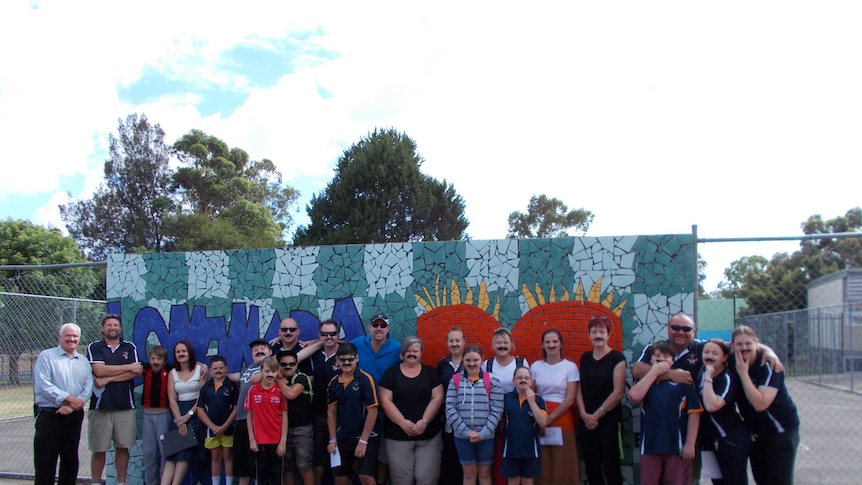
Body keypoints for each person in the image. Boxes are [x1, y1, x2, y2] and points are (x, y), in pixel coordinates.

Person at [731, 326, 800, 485]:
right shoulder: (732, 359)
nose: (744, 348)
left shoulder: (769, 366)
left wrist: (743, 373)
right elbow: (713, 346)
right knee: (761, 478)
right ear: (732, 345)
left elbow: (760, 404)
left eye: (748, 343)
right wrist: (767, 348)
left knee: (779, 480)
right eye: (739, 344)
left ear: (756, 342)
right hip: (756, 432)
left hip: (780, 431)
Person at [629, 340, 703, 485]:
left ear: (673, 360)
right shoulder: (645, 381)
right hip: (650, 446)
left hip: (677, 447)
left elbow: (694, 413)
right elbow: (634, 396)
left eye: (666, 356)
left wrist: (690, 443)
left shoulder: (683, 381)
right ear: (650, 360)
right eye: (657, 356)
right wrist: (654, 372)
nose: (661, 358)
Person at [33, 323, 94, 485]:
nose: (72, 339)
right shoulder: (46, 357)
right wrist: (69, 398)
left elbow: (88, 387)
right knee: (45, 462)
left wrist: (74, 404)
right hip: (50, 415)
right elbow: (43, 385)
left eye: (75, 336)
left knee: (70, 460)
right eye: (68, 335)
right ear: (60, 337)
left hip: (73, 416)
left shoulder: (83, 361)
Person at [379, 336, 444, 485]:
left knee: (427, 479)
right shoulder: (391, 374)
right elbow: (385, 400)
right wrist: (402, 422)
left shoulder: (431, 373)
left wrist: (424, 421)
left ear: (421, 353)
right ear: (402, 353)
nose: (412, 354)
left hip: (429, 437)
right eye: (408, 351)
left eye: (415, 350)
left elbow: (438, 397)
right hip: (397, 437)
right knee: (402, 480)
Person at [87, 313, 142, 485]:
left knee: (123, 447)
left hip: (125, 405)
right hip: (100, 406)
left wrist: (108, 378)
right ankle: (96, 482)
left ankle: (121, 482)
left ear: (120, 328)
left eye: (116, 325)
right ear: (103, 328)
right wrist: (127, 368)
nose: (112, 328)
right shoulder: (95, 347)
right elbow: (99, 371)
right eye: (109, 325)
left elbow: (137, 371)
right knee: (99, 449)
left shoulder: (129, 347)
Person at [351, 312, 402, 484]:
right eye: (376, 325)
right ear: (369, 327)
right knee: (358, 449)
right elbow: (336, 346)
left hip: (386, 407)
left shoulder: (397, 348)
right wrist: (316, 341)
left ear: (388, 328)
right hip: (360, 407)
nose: (379, 329)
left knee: (382, 453)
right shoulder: (358, 343)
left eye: (383, 325)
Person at [576, 315, 626, 485]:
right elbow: (579, 388)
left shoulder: (617, 358)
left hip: (608, 421)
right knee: (591, 465)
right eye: (594, 331)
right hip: (586, 421)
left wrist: (595, 416)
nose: (598, 335)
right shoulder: (585, 358)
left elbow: (618, 392)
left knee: (611, 464)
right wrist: (583, 414)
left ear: (608, 334)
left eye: (602, 332)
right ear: (589, 334)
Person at [446, 344, 504, 485]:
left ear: (482, 360)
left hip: (486, 436)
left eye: (475, 360)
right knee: (469, 473)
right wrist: (466, 432)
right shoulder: (455, 381)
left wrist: (483, 433)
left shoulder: (492, 381)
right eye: (468, 360)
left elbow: (497, 409)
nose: (471, 364)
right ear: (463, 361)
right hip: (462, 436)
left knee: (484, 474)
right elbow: (450, 408)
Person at [529, 328, 579, 485]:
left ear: (561, 344)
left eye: (555, 341)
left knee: (562, 460)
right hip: (540, 415)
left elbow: (571, 398)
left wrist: (550, 418)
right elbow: (532, 393)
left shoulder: (570, 367)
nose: (551, 345)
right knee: (543, 460)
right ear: (543, 345)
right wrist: (542, 417)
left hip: (562, 417)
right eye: (547, 342)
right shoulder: (536, 367)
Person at [327, 342, 381, 485]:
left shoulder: (366, 380)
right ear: (337, 360)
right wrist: (332, 439)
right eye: (343, 359)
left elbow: (373, 411)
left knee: (365, 476)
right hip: (343, 436)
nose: (346, 363)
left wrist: (363, 441)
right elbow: (331, 412)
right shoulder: (333, 383)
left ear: (357, 358)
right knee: (339, 477)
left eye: (350, 359)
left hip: (366, 437)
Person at [698, 339, 749, 485]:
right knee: (717, 481)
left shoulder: (725, 378)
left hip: (730, 440)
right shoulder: (701, 371)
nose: (709, 356)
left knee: (733, 481)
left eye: (715, 353)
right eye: (706, 352)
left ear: (725, 357)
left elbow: (711, 406)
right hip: (708, 442)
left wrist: (708, 378)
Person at [482, 328, 527, 485]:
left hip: (516, 416)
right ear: (493, 346)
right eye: (498, 343)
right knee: (497, 453)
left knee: (515, 452)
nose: (502, 346)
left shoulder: (521, 363)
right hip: (493, 417)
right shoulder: (486, 365)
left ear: (511, 345)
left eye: (505, 342)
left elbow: (527, 388)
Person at [161, 340, 208, 485]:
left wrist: (188, 416)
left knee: (184, 454)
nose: (181, 354)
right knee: (172, 455)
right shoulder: (172, 373)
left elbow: (202, 396)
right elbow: (172, 398)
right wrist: (179, 419)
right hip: (177, 414)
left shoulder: (200, 370)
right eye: (178, 352)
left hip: (195, 412)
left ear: (189, 353)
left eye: (184, 351)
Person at [227, 338, 272, 485]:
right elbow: (227, 375)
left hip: (257, 422)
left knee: (258, 467)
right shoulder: (247, 370)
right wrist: (205, 369)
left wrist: (318, 343)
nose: (259, 350)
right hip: (240, 421)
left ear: (270, 352)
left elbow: (298, 355)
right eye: (255, 350)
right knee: (242, 467)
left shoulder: (272, 368)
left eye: (263, 348)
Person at [307, 319, 343, 485]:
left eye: (333, 334)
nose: (329, 337)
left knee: (341, 460)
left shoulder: (345, 354)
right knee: (319, 459)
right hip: (320, 414)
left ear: (338, 334)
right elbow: (293, 356)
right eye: (324, 334)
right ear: (319, 335)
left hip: (343, 416)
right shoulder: (313, 355)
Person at [501, 366, 548, 485]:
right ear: (513, 380)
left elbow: (543, 422)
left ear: (531, 381)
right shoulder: (505, 398)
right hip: (511, 448)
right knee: (513, 481)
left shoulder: (538, 399)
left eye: (526, 377)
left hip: (530, 449)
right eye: (519, 377)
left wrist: (531, 402)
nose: (523, 380)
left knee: (528, 481)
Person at [196, 355, 239, 485]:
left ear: (226, 368)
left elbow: (236, 408)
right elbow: (200, 409)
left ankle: (229, 483)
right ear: (210, 370)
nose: (218, 370)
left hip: (228, 428)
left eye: (221, 368)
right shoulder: (205, 388)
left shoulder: (231, 386)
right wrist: (213, 427)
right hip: (211, 429)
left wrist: (224, 426)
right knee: (215, 457)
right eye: (215, 368)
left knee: (228, 456)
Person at [245, 356, 288, 485]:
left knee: (277, 478)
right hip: (260, 441)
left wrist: (283, 441)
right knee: (262, 477)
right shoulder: (253, 390)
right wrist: (252, 439)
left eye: (274, 371)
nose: (270, 374)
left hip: (277, 441)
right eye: (267, 371)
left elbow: (284, 416)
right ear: (261, 371)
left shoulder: (280, 390)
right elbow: (249, 416)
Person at [275, 349, 315, 485]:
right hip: (282, 431)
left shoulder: (301, 377)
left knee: (305, 467)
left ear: (296, 365)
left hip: (302, 429)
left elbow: (291, 394)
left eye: (291, 364)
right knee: (287, 468)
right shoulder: (274, 378)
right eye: (284, 364)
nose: (287, 367)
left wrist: (279, 380)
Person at [436, 327, 466, 485]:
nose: (454, 344)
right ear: (447, 343)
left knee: (464, 458)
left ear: (464, 342)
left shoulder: (470, 362)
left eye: (457, 340)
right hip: (447, 419)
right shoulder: (442, 364)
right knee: (449, 457)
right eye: (451, 340)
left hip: (467, 418)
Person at [140, 346, 171, 485]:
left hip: (164, 414)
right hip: (148, 414)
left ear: (165, 361)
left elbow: (191, 364)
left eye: (159, 359)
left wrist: (204, 367)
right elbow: (130, 366)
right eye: (153, 358)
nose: (156, 361)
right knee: (148, 453)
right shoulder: (145, 369)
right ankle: (150, 482)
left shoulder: (170, 370)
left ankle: (164, 481)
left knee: (166, 452)